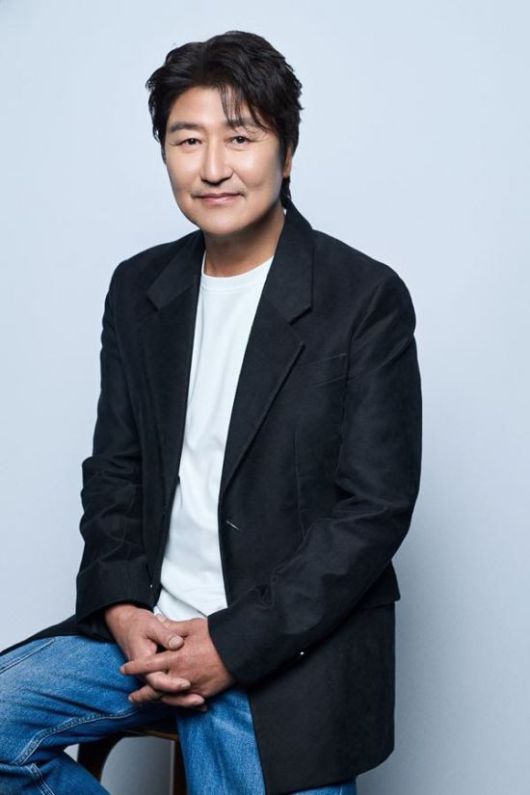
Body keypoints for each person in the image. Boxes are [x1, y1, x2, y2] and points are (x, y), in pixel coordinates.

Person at [0, 29, 422, 795]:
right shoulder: (140, 289)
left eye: (241, 137)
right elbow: (116, 467)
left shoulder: (364, 299)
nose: (214, 166)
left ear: (286, 153)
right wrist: (121, 605)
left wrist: (231, 643)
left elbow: (372, 511)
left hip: (288, 643)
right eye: (187, 139)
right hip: (145, 629)